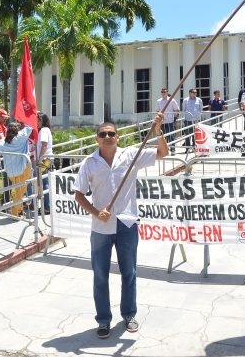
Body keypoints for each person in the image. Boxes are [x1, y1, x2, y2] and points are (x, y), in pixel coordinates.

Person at [73, 113, 168, 338]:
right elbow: (78, 194)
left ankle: (129, 315)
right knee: (100, 275)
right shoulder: (89, 162)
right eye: (103, 134)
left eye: (111, 134)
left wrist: (158, 132)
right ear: (96, 138)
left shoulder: (131, 155)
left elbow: (163, 153)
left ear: (118, 137)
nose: (107, 137)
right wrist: (97, 212)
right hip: (100, 228)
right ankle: (104, 320)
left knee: (129, 272)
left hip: (127, 223)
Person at [0, 122, 33, 217]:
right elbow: (30, 126)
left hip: (11, 172)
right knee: (20, 192)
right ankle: (15, 212)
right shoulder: (21, 137)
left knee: (19, 191)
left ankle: (19, 210)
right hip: (23, 170)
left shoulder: (3, 142)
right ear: (17, 130)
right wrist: (23, 119)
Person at [36, 113, 54, 213]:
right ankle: (47, 206)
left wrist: (39, 159)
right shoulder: (46, 130)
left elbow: (44, 145)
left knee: (44, 182)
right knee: (44, 182)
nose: (36, 122)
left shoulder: (43, 130)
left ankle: (47, 207)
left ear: (42, 121)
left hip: (44, 159)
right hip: (47, 158)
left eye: (38, 120)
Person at [156, 88, 179, 154]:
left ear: (167, 92)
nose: (163, 93)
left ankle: (173, 150)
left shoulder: (172, 100)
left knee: (171, 135)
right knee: (163, 137)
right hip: (162, 122)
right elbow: (157, 110)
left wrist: (175, 118)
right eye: (162, 92)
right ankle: (165, 150)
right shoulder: (159, 101)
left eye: (165, 92)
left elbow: (176, 109)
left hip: (170, 121)